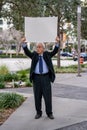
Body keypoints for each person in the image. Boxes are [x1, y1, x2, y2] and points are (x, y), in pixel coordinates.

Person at [21, 36, 60, 119]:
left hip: (46, 78)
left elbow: (55, 51)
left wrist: (57, 43)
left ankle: (49, 113)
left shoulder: (47, 54)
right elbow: (27, 52)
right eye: (37, 47)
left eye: (39, 47)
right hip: (36, 78)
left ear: (43, 48)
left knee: (47, 97)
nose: (37, 48)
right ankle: (38, 113)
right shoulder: (34, 55)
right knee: (37, 97)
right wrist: (24, 43)